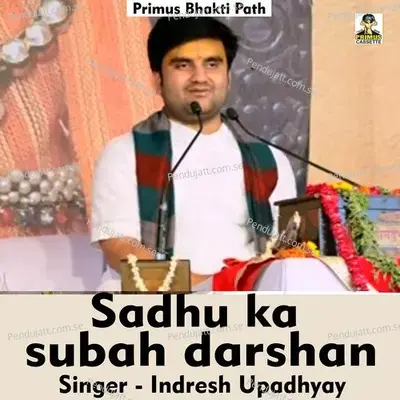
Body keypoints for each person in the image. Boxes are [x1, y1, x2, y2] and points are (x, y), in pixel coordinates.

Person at [91, 17, 297, 292]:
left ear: (228, 77)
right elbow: (120, 247)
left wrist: (233, 290)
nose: (200, 78)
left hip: (246, 302)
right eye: (183, 65)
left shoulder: (269, 159)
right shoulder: (125, 153)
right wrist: (202, 288)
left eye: (212, 64)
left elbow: (285, 250)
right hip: (152, 301)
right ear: (157, 80)